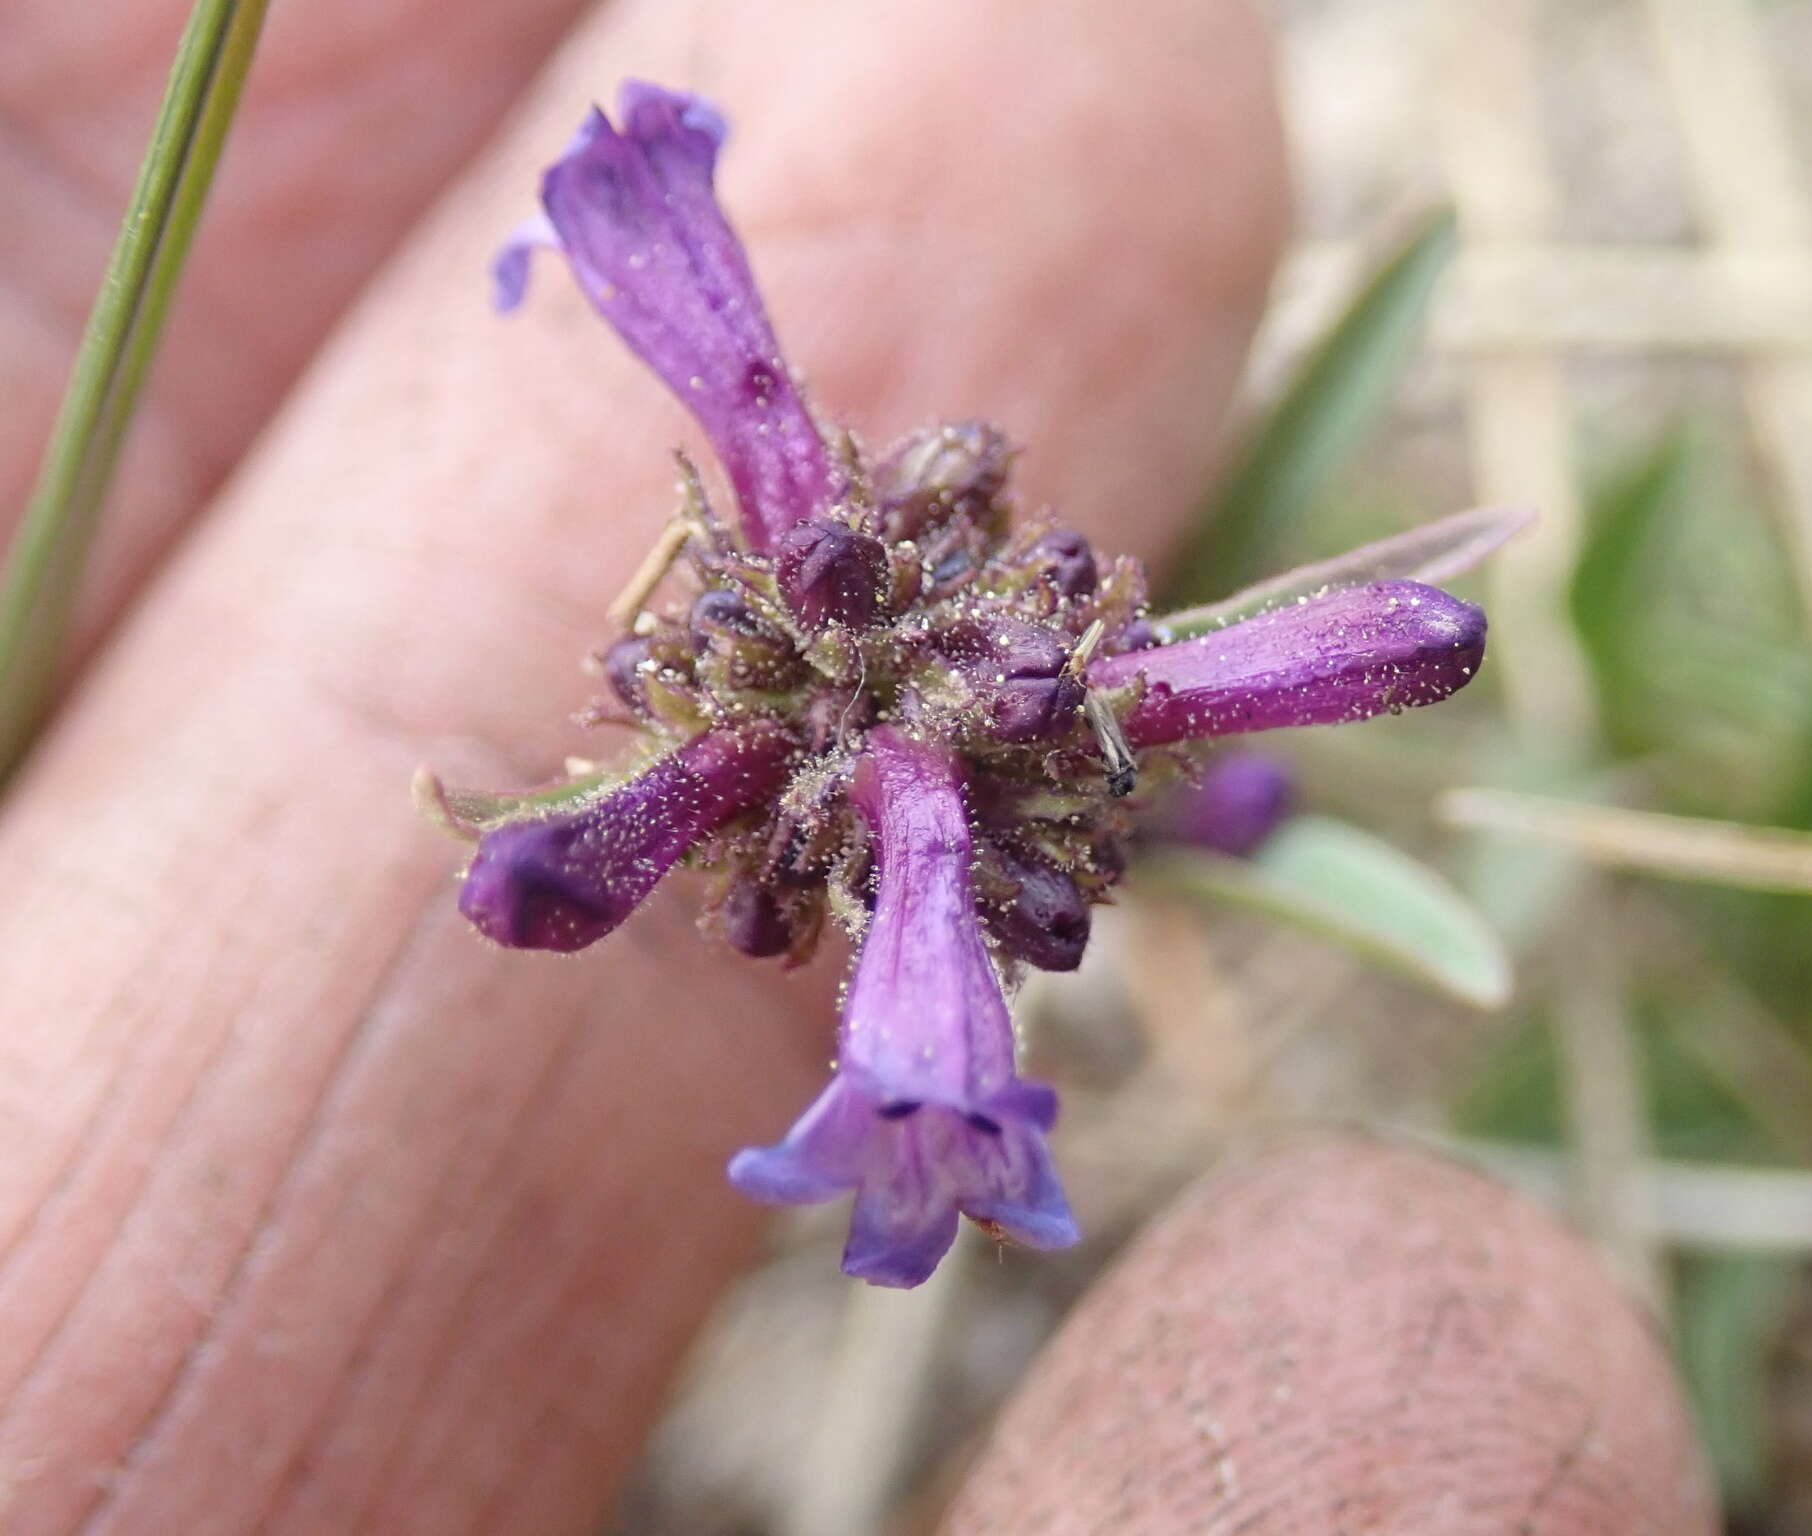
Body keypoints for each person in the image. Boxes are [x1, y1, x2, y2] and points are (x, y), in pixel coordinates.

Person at [0, 0, 1713, 1528]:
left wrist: (969, 786)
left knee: (948, 717)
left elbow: (1374, 650)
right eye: (931, 1127)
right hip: (899, 732)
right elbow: (659, 858)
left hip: (962, 718)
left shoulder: (920, 763)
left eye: (908, 1124)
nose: (920, 1129)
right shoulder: (867, 783)